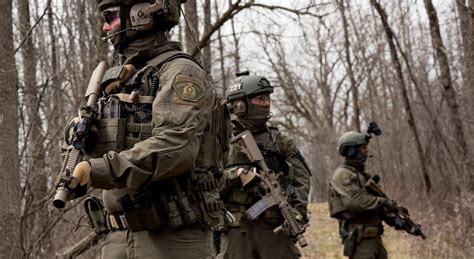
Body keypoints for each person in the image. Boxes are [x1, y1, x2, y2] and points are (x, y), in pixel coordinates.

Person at [64, 0, 223, 258]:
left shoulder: (180, 72)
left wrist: (100, 170)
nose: (105, 27)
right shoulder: (121, 79)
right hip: (118, 236)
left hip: (171, 240)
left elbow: (175, 147)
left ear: (140, 15)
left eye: (110, 16)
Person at [217, 73, 312, 259]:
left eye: (268, 98)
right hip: (236, 232)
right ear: (240, 105)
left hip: (274, 230)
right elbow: (208, 184)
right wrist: (236, 175)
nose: (266, 103)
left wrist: (298, 212)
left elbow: (302, 178)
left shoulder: (280, 140)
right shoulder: (220, 142)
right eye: (260, 98)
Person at [328, 131, 396, 259]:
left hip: (374, 237)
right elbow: (356, 202)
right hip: (360, 239)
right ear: (351, 151)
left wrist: (395, 217)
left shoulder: (362, 175)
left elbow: (374, 205)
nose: (366, 151)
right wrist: (383, 202)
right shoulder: (342, 174)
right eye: (363, 147)